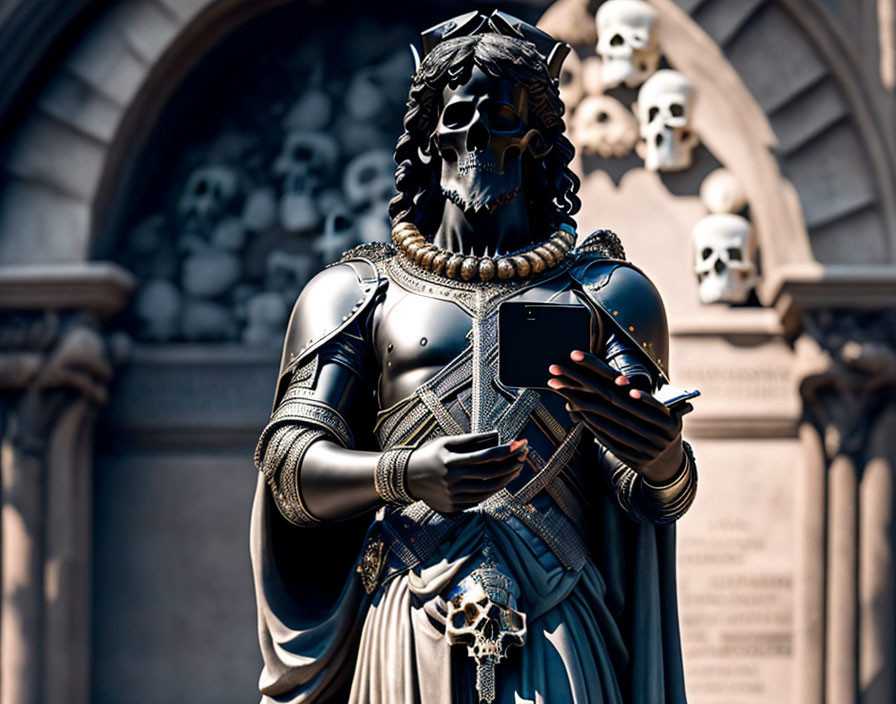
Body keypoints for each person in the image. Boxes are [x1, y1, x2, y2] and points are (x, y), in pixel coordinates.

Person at [251, 11, 696, 703]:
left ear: (541, 140)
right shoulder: (356, 293)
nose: (479, 137)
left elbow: (645, 490)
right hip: (407, 610)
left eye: (503, 118)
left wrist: (662, 458)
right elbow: (289, 471)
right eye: (458, 116)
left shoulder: (611, 294)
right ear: (427, 139)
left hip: (559, 612)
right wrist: (406, 472)